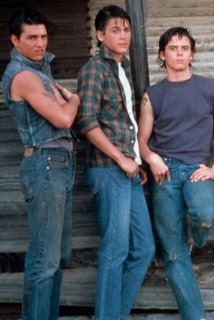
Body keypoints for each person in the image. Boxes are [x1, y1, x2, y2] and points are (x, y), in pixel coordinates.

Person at [137, 26, 214, 320]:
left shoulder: (209, 87)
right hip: (164, 173)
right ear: (162, 54)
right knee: (174, 253)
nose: (179, 53)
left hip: (196, 169)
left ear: (191, 54)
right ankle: (195, 316)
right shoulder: (152, 94)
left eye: (184, 48)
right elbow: (142, 140)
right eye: (172, 48)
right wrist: (152, 158)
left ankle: (197, 237)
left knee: (207, 215)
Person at [76, 5, 155, 319]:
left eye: (126, 29)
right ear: (100, 35)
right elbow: (86, 122)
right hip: (108, 169)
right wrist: (121, 159)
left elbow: (126, 122)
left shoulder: (124, 69)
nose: (123, 35)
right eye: (115, 30)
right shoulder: (94, 69)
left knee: (145, 248)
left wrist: (135, 161)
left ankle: (113, 315)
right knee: (116, 249)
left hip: (129, 169)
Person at [2, 8, 80, 320]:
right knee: (45, 258)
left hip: (60, 162)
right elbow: (63, 116)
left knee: (57, 255)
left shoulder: (40, 72)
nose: (40, 43)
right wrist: (72, 99)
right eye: (31, 37)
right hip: (46, 163)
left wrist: (65, 102)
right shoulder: (23, 76)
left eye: (44, 36)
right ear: (14, 40)